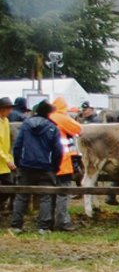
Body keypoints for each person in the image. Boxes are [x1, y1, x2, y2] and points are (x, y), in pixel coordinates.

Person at [9, 100, 62, 232]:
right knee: (46, 196)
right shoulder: (52, 128)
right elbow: (58, 151)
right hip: (46, 167)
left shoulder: (26, 125)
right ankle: (43, 227)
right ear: (48, 114)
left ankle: (16, 226)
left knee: (22, 196)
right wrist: (55, 167)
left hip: (26, 165)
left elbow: (17, 146)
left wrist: (18, 163)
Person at [48, 98, 82, 232]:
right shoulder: (61, 118)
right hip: (63, 162)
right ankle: (62, 222)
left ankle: (46, 222)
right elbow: (78, 129)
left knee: (48, 194)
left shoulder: (46, 118)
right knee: (63, 193)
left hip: (46, 163)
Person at [0, 97, 14, 218]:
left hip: (4, 162)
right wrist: (7, 159)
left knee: (9, 185)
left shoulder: (6, 121)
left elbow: (6, 143)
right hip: (3, 160)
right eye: (8, 108)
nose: (10, 111)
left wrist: (9, 159)